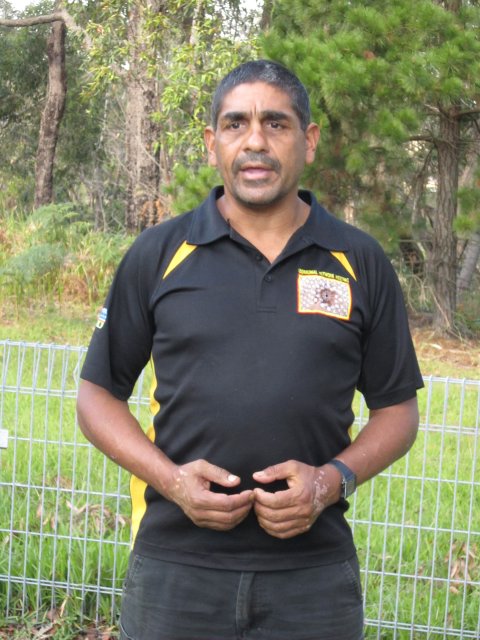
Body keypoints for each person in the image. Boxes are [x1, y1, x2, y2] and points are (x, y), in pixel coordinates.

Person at [76, 59, 423, 640]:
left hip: (312, 580)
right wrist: (173, 482)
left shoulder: (358, 261)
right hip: (175, 572)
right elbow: (95, 397)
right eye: (236, 124)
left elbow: (398, 412)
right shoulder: (159, 254)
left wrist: (330, 481)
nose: (255, 141)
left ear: (308, 140)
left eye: (276, 124)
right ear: (212, 142)